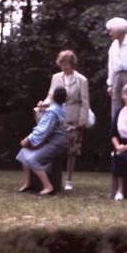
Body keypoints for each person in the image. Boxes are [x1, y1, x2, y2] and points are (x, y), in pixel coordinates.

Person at [38, 50, 90, 190]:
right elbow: (50, 95)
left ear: (72, 64)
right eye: (61, 64)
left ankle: (69, 179)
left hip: (73, 116)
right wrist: (44, 103)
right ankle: (53, 177)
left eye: (66, 64)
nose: (64, 67)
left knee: (72, 149)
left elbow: (85, 102)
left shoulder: (82, 80)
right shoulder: (56, 77)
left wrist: (82, 121)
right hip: (56, 116)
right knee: (54, 146)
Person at [16, 86, 68, 196]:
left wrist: (28, 139)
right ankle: (28, 182)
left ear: (53, 96)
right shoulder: (62, 108)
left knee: (32, 159)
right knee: (23, 152)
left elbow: (42, 131)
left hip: (55, 144)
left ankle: (48, 186)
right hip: (57, 142)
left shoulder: (53, 112)